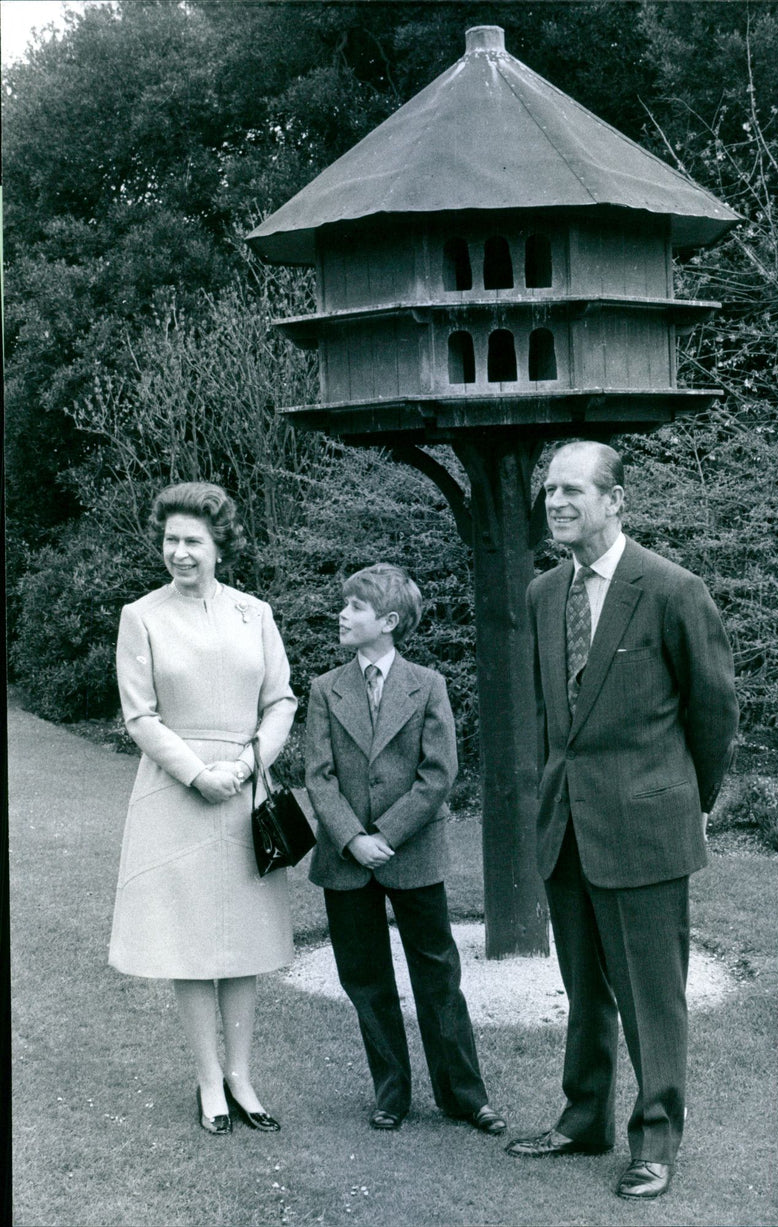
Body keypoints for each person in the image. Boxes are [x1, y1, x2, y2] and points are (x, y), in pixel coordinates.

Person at [504, 441, 738, 1198]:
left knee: (651, 997)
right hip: (566, 824)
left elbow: (714, 715)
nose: (559, 503)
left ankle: (657, 1139)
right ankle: (584, 1119)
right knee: (584, 986)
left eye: (574, 490)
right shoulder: (544, 594)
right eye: (550, 493)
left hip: (646, 829)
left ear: (616, 501)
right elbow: (552, 718)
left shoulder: (672, 589)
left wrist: (682, 804)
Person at [109, 482, 298, 1136]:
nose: (180, 552)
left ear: (220, 544)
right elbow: (139, 715)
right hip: (176, 794)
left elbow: (281, 702)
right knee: (189, 939)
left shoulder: (256, 613)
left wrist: (246, 766)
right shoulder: (143, 615)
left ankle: (242, 1073)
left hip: (246, 793)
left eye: (193, 540)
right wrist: (195, 773)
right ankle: (208, 1076)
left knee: (243, 941)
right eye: (171, 540)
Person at [304, 563, 506, 1135]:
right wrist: (352, 839)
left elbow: (438, 775)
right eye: (343, 606)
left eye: (355, 608)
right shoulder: (325, 689)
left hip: (410, 853)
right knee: (365, 978)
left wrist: (384, 837)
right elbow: (317, 776)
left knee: (438, 976)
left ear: (388, 622)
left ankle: (465, 1096)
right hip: (345, 861)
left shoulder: (428, 684)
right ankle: (391, 1092)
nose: (342, 615)